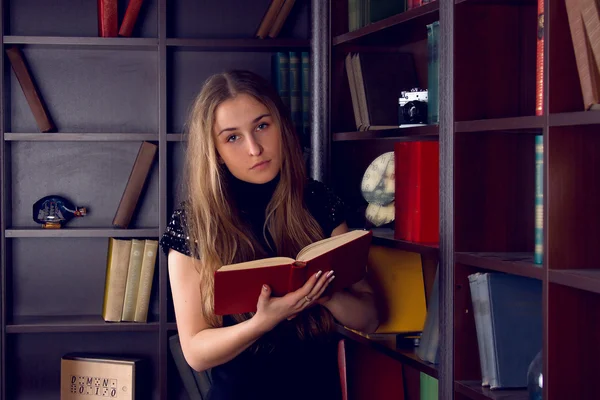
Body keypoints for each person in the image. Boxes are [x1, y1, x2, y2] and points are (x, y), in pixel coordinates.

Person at [160, 69, 379, 400]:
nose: (254, 148)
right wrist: (261, 323)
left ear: (282, 127)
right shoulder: (195, 222)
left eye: (262, 126)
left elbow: (371, 318)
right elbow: (195, 351)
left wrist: (325, 296)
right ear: (214, 151)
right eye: (232, 137)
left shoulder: (319, 202)